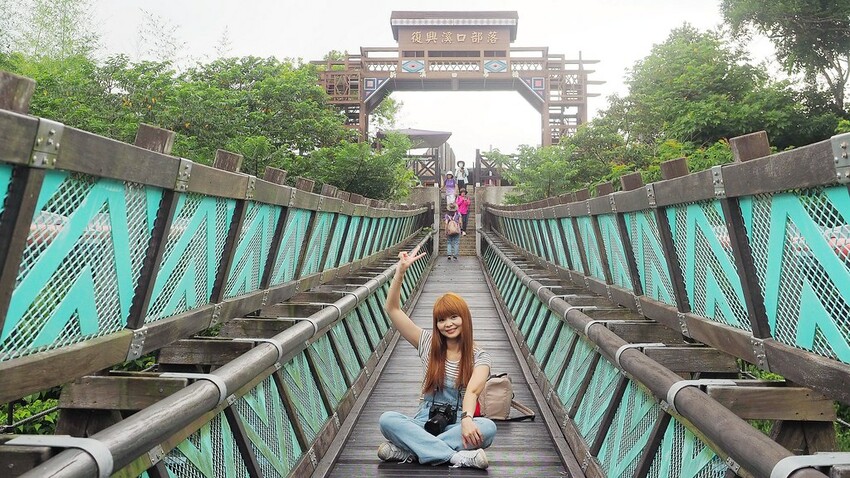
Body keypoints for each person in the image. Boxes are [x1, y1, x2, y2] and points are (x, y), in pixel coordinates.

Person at [378, 246, 497, 469]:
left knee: (488, 428)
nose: (448, 324)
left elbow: (472, 391)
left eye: (454, 317)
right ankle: (454, 457)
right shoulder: (426, 342)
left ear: (465, 319)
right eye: (442, 320)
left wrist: (467, 420)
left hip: (458, 422)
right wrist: (400, 271)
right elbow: (392, 309)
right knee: (387, 420)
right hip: (425, 420)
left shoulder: (479, 356)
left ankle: (410, 450)